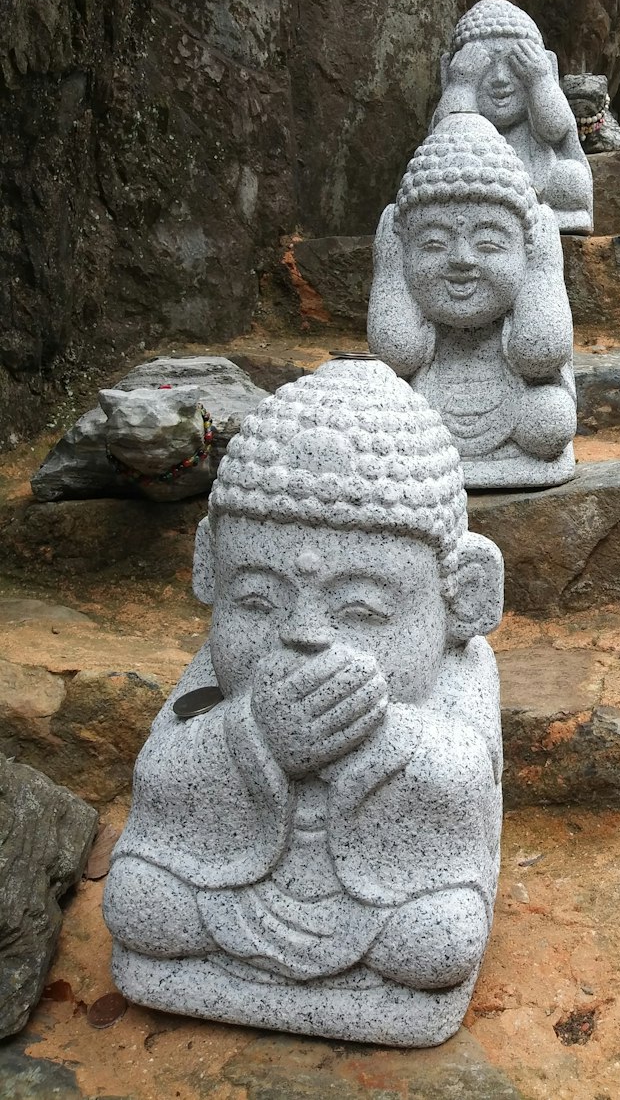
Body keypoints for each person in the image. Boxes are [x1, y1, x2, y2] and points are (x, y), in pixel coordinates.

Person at [103, 359, 504, 1046]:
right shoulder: (215, 678)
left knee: (437, 940)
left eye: (362, 608)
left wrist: (383, 736)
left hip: (382, 894)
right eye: (257, 599)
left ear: (461, 599)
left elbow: (466, 777)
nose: (306, 634)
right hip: (230, 880)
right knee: (139, 903)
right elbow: (162, 774)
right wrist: (251, 731)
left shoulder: (462, 669)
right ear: (210, 571)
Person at [367, 113, 577, 490]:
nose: (462, 259)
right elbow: (396, 352)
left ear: (527, 248)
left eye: (489, 244)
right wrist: (388, 272)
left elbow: (541, 352)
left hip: (515, 399)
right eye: (432, 243)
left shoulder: (536, 260)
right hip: (427, 396)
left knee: (551, 417)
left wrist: (545, 264)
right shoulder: (400, 269)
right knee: (382, 421)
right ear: (401, 249)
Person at [433, 0, 593, 234]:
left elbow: (556, 130)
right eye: (484, 66)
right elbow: (444, 136)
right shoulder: (459, 89)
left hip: (537, 183)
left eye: (514, 64)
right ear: (451, 70)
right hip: (474, 184)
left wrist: (539, 81)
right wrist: (463, 85)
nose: (500, 78)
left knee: (571, 177)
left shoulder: (537, 100)